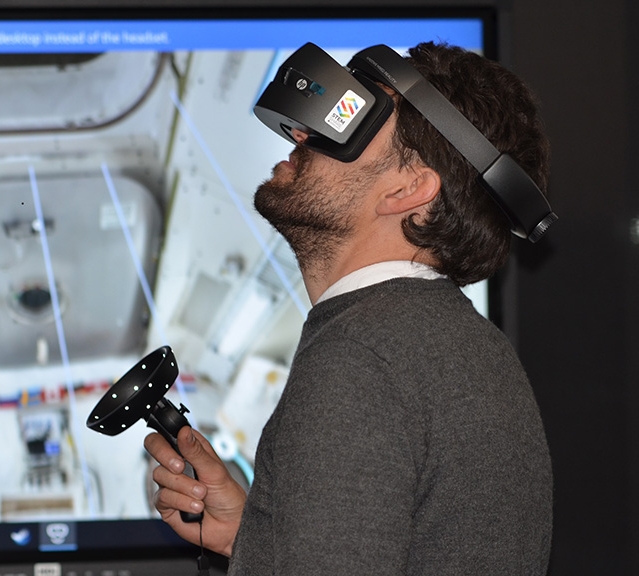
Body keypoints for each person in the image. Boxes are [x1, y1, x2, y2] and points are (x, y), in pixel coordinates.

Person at [144, 42, 553, 575]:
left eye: (355, 120)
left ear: (410, 189)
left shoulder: (360, 358)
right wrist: (257, 539)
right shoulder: (471, 349)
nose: (301, 133)